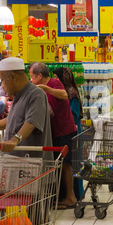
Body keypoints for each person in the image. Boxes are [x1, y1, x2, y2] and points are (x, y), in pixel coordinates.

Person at [0, 57, 54, 225]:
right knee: (19, 219)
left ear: (13, 77)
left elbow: (31, 122)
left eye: (3, 81)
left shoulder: (36, 95)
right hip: (16, 170)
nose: (2, 86)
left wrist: (15, 139)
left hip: (34, 168)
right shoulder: (19, 97)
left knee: (37, 219)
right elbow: (12, 119)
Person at [29, 62, 78, 209]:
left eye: (31, 76)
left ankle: (70, 197)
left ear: (39, 75)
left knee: (66, 165)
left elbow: (64, 95)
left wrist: (45, 88)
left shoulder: (54, 82)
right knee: (58, 165)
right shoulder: (38, 90)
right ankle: (61, 196)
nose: (30, 79)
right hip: (54, 131)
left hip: (65, 130)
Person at [53, 66, 83, 201]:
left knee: (72, 163)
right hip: (65, 129)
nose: (55, 80)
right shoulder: (61, 92)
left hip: (74, 131)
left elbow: (74, 114)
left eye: (57, 77)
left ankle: (75, 194)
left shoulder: (71, 93)